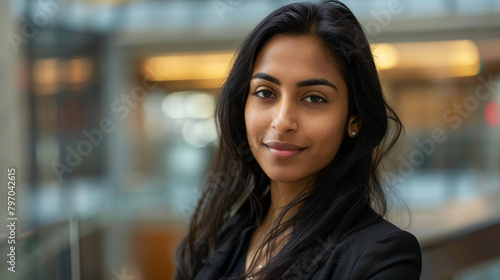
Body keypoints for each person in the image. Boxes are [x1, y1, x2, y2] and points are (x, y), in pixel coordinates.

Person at [174, 1, 422, 279]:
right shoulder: (212, 243)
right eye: (266, 92)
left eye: (314, 98)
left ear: (355, 120)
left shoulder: (380, 256)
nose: (282, 122)